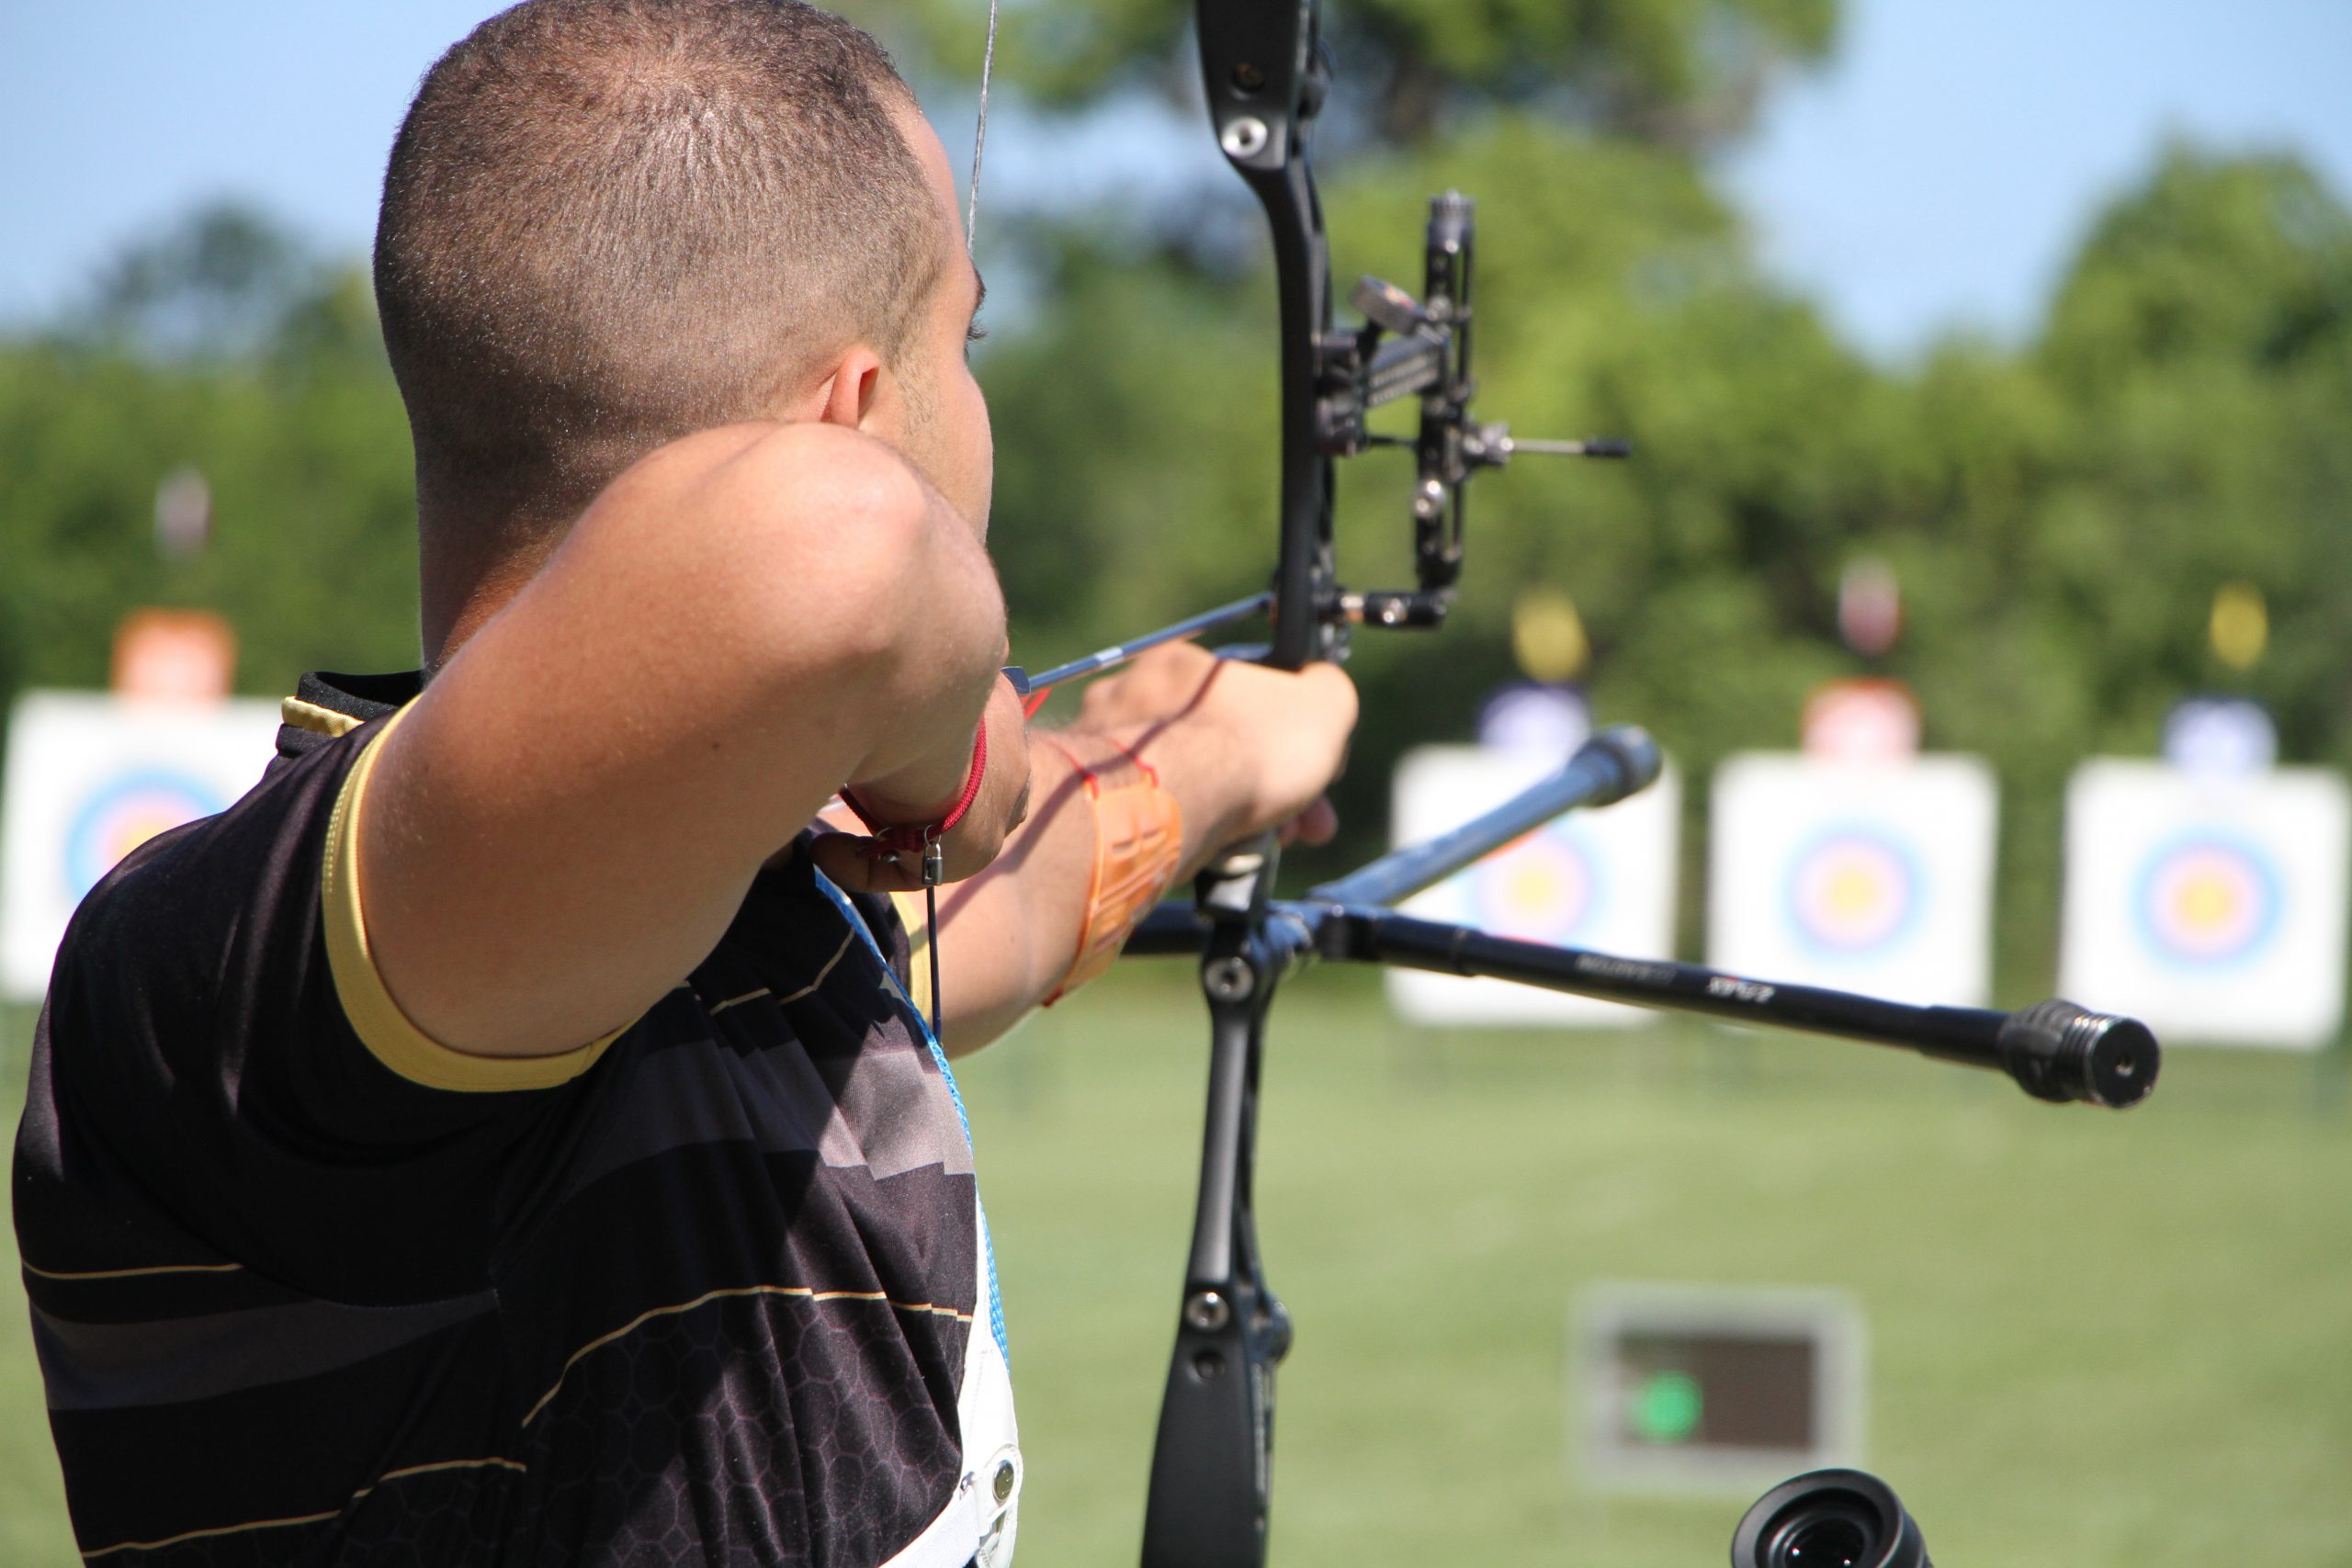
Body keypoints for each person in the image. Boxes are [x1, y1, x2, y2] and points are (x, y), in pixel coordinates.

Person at [11, 3, 1358, 1564]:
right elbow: (838, 553)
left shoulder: (678, 921)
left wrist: (1212, 753)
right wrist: (960, 764)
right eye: (963, 342)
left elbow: (993, 913)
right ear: (855, 413)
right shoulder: (249, 969)